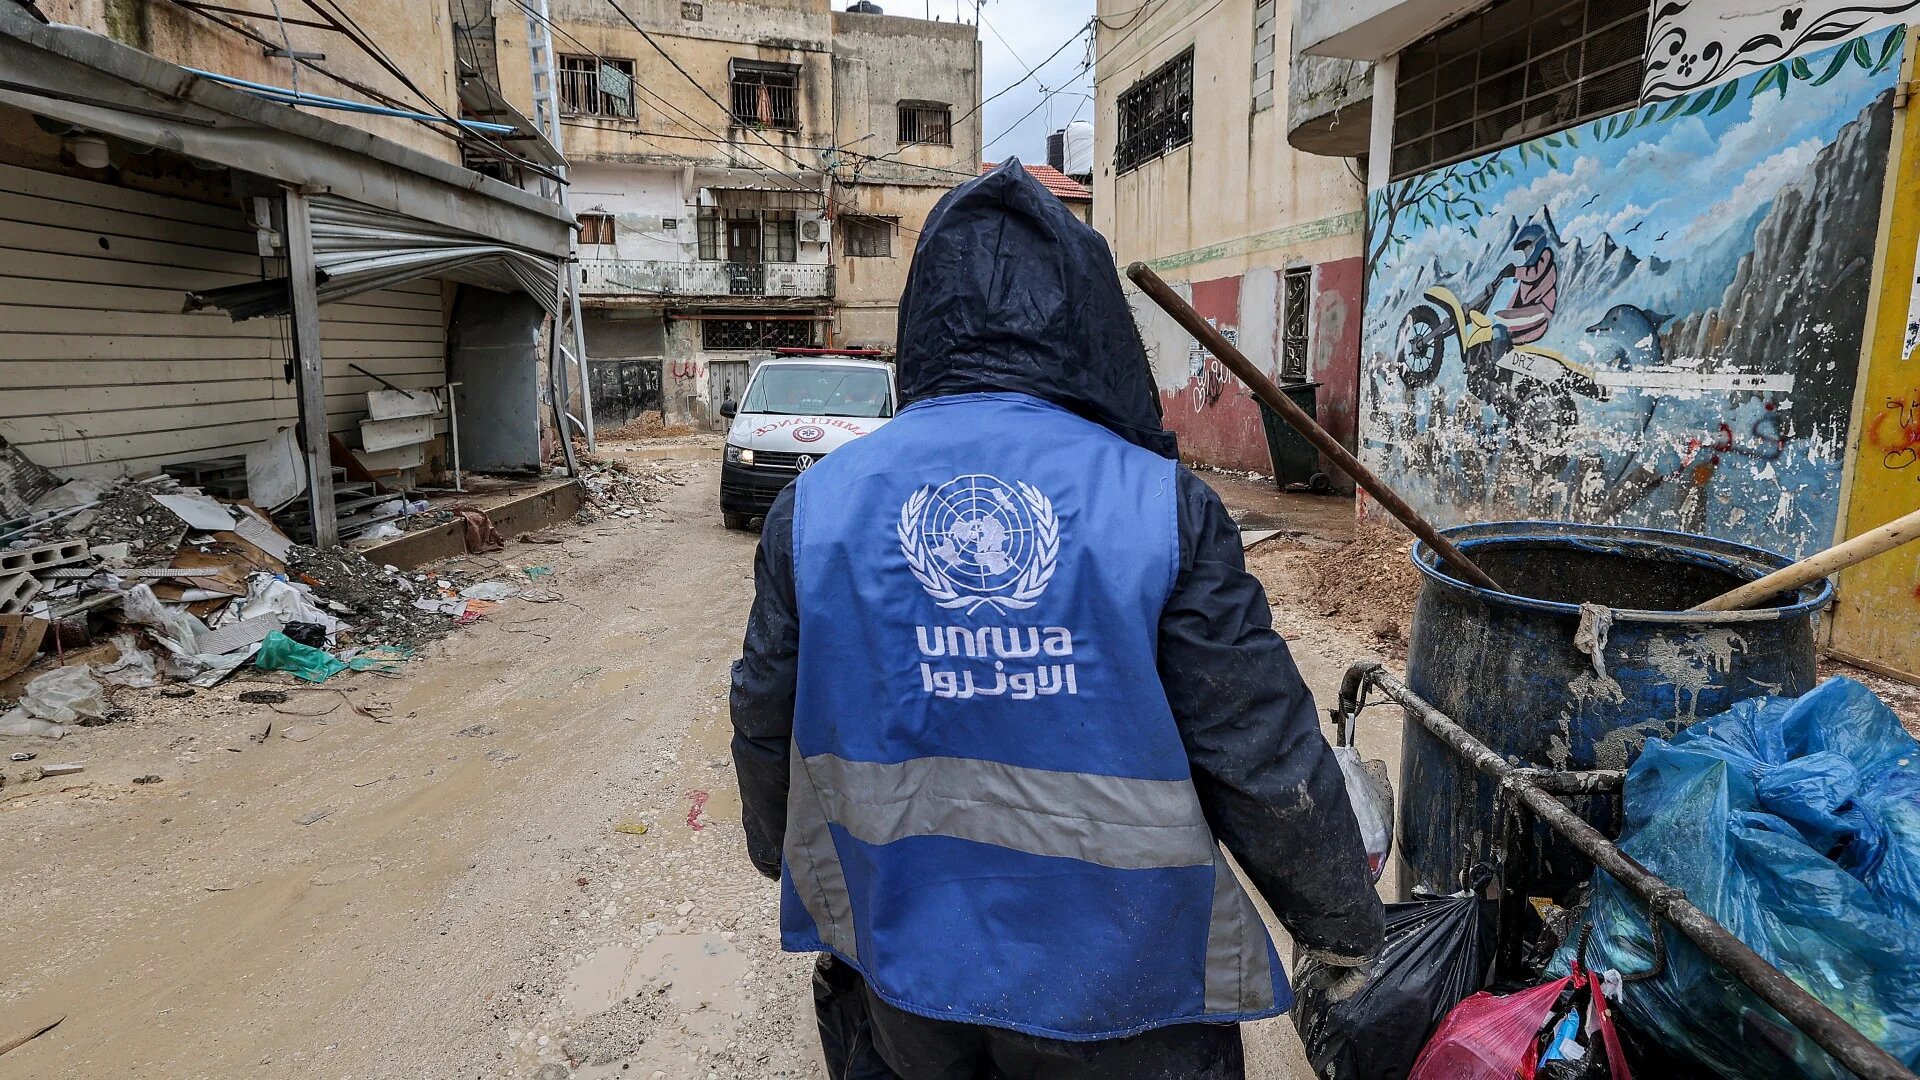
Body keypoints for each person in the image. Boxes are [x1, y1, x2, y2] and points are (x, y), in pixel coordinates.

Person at [730, 160, 1384, 1080]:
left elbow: (765, 718)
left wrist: (777, 852)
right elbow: (1260, 752)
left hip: (906, 978)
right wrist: (1340, 921)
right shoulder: (1160, 506)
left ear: (925, 318)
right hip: (1132, 998)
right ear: (1088, 324)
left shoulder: (817, 509)